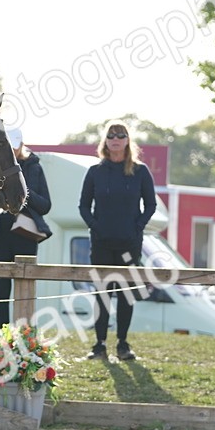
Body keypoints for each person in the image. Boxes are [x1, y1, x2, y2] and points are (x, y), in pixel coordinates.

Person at [78, 121, 156, 361]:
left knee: (126, 294)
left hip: (129, 244)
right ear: (105, 141)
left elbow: (150, 205)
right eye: (111, 135)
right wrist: (96, 226)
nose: (116, 139)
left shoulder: (140, 171)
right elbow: (83, 206)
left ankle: (123, 343)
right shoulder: (95, 171)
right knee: (102, 293)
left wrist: (136, 227)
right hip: (101, 243)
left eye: (121, 135)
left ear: (127, 141)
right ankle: (99, 344)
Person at [0, 128, 52, 331]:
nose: (11, 151)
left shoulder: (33, 167)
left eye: (14, 147)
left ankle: (25, 338)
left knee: (24, 293)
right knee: (0, 293)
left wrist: (21, 188)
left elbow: (45, 205)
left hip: (25, 236)